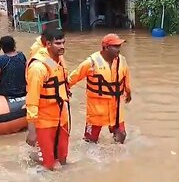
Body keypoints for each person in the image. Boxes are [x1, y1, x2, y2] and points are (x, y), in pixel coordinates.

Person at [68, 34, 132, 144]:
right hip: (96, 110)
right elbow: (73, 78)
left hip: (115, 108)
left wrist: (128, 91)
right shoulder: (91, 63)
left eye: (119, 46)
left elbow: (126, 76)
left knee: (121, 136)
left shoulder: (122, 60)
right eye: (116, 46)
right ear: (106, 47)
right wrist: (64, 91)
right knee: (90, 141)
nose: (119, 49)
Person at [25, 29, 70, 171]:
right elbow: (32, 100)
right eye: (58, 43)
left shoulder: (58, 60)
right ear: (48, 44)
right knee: (48, 165)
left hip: (61, 118)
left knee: (63, 159)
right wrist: (32, 130)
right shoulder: (38, 67)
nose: (62, 46)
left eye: (63, 43)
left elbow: (62, 82)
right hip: (45, 122)